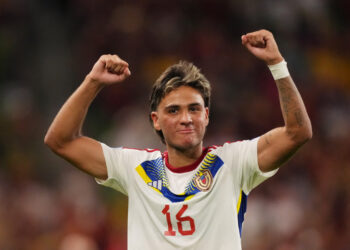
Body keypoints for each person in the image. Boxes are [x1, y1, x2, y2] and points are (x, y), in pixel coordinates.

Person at [44, 29, 312, 249]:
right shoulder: (136, 168)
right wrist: (93, 81)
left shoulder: (233, 162)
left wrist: (277, 65)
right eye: (174, 110)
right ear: (155, 120)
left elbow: (297, 132)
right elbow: (61, 140)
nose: (186, 118)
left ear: (206, 116)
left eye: (194, 109)